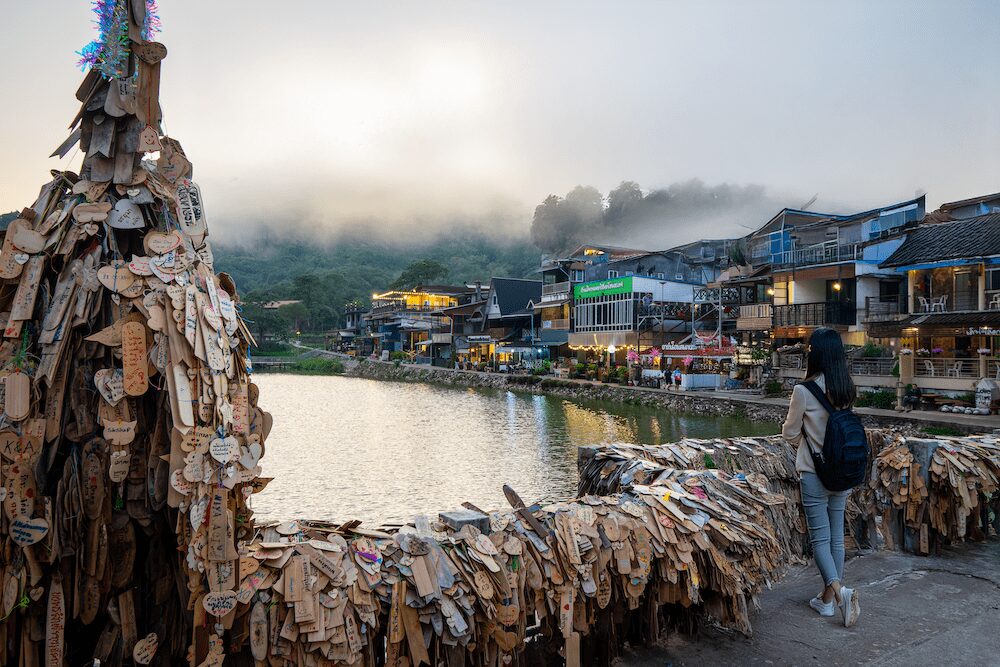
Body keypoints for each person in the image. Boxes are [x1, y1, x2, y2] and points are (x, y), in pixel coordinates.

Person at [782, 327, 862, 627]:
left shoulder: (804, 391)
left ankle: (839, 593)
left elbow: (789, 433)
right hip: (842, 472)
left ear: (814, 354)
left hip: (814, 473)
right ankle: (826, 602)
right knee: (836, 538)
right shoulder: (846, 388)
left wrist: (806, 432)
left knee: (820, 539)